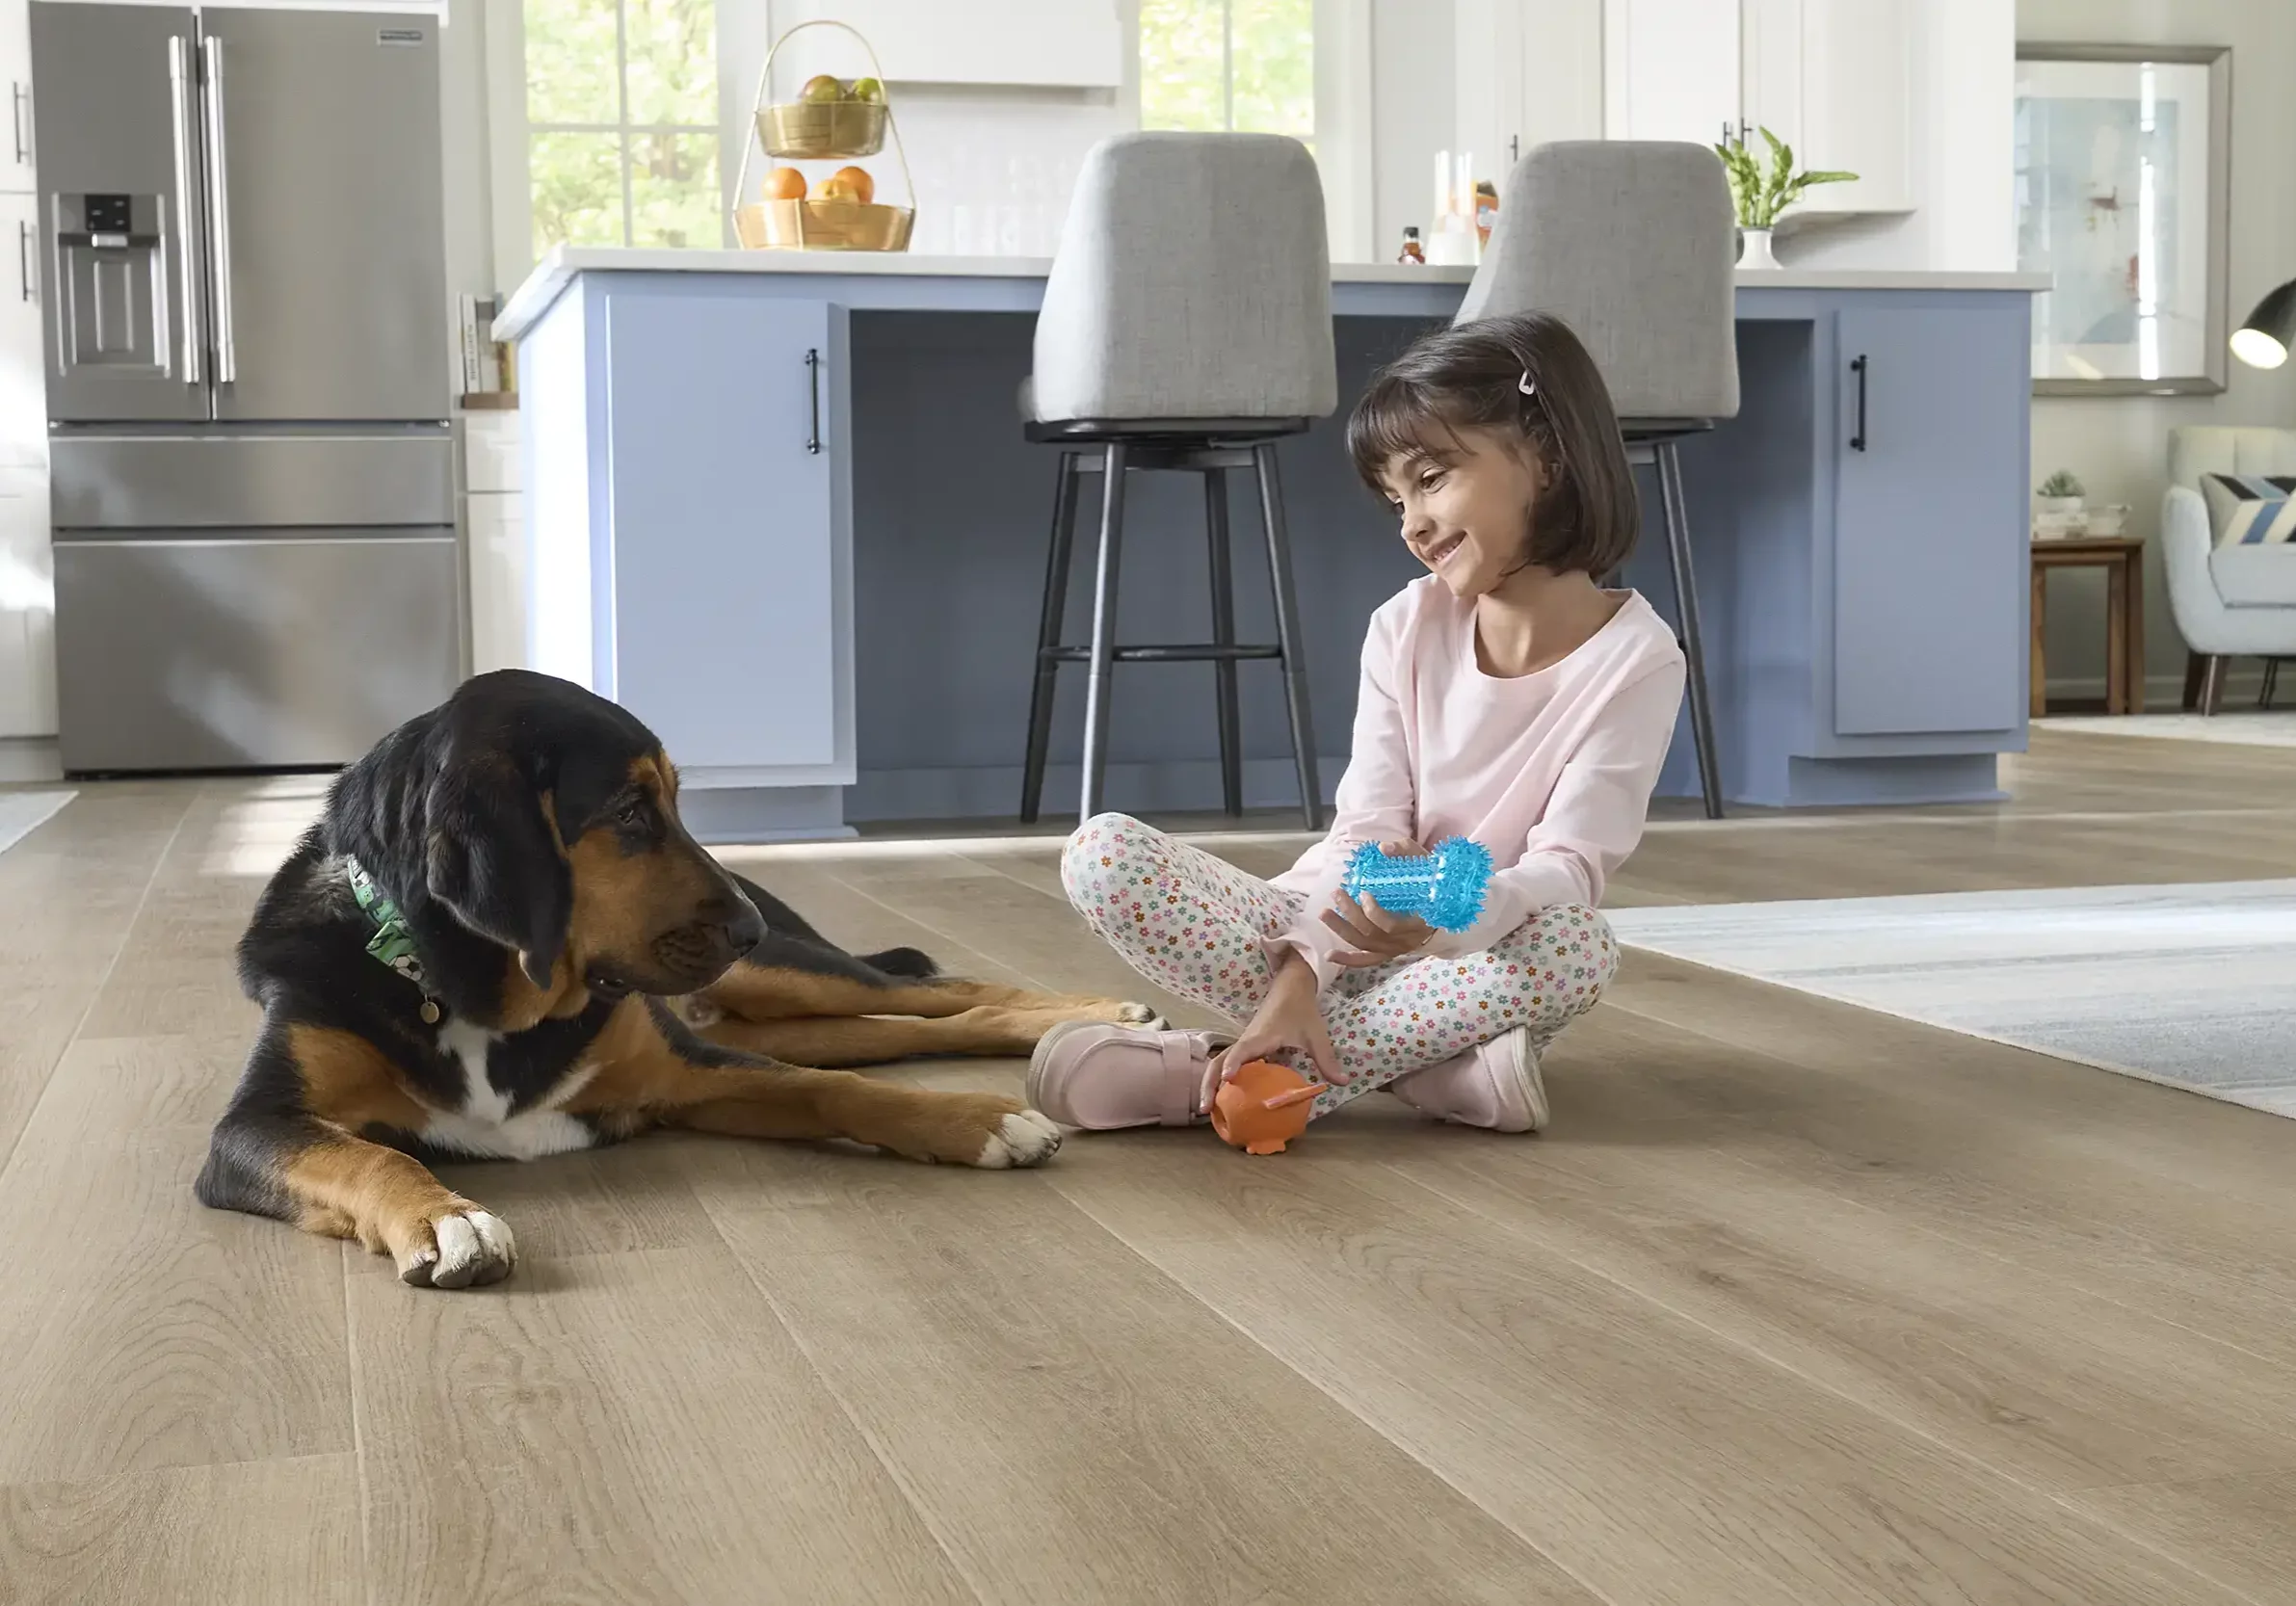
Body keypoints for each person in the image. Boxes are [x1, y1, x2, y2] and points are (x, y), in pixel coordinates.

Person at [1028, 310, 1686, 1135]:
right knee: (1103, 853)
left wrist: (1445, 907)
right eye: (1395, 499)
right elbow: (1365, 831)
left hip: (1478, 952)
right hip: (1332, 922)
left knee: (1578, 946)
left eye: (1432, 477)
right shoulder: (1403, 626)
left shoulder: (1637, 659)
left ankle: (1201, 1082)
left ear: (1548, 456)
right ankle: (1436, 1073)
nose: (1409, 523)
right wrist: (1302, 973)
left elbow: (1566, 869)